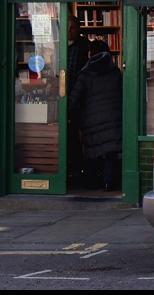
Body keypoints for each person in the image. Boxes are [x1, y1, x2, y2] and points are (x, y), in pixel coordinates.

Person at [69, 39, 123, 191]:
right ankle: (108, 182)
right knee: (111, 151)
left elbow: (74, 98)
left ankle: (93, 181)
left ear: (90, 55)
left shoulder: (85, 75)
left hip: (91, 118)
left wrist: (64, 114)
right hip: (113, 118)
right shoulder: (115, 72)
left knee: (92, 151)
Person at [66, 16, 92, 186]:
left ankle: (82, 170)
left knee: (82, 135)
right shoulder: (59, 45)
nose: (70, 31)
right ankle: (72, 168)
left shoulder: (85, 46)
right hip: (64, 96)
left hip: (82, 98)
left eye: (73, 27)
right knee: (68, 134)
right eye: (67, 27)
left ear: (79, 29)